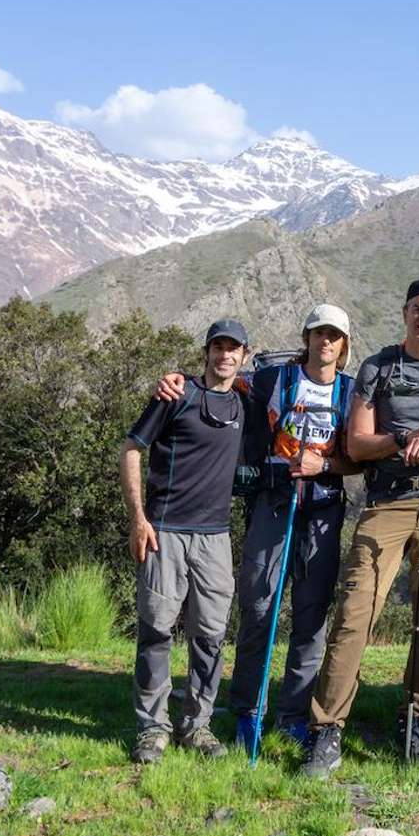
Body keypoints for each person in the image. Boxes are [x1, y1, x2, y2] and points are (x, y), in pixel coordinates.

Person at [301, 277, 419, 777]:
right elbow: (358, 445)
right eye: (417, 309)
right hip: (385, 504)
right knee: (353, 616)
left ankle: (416, 723)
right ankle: (326, 731)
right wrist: (406, 437)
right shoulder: (377, 368)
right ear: (404, 313)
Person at [155, 305, 358, 754]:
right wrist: (177, 381)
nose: (325, 342)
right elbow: (219, 385)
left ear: (344, 346)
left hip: (323, 510)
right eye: (318, 333)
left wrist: (322, 463)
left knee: (311, 617)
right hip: (272, 505)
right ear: (306, 338)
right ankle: (248, 710)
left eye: (334, 336)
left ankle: (291, 715)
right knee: (258, 608)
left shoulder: (351, 391)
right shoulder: (272, 381)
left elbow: (358, 456)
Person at [120, 318, 250, 764]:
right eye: (218, 347)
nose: (225, 355)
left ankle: (197, 725)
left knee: (210, 636)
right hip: (165, 532)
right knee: (156, 631)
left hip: (216, 538)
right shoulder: (177, 396)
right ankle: (152, 728)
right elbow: (132, 448)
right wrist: (139, 518)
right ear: (207, 351)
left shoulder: (245, 402)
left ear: (244, 356)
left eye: (234, 348)